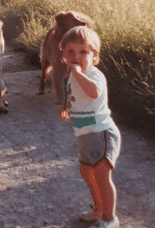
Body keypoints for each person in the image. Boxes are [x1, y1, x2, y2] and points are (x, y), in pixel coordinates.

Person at [59, 26, 121, 228]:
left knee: (102, 175)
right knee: (86, 172)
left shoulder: (94, 75)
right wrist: (66, 106)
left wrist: (76, 73)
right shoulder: (73, 76)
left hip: (101, 133)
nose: (76, 56)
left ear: (94, 56)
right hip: (85, 136)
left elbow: (93, 92)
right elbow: (74, 94)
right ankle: (98, 209)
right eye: (71, 52)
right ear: (63, 56)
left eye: (83, 52)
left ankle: (110, 218)